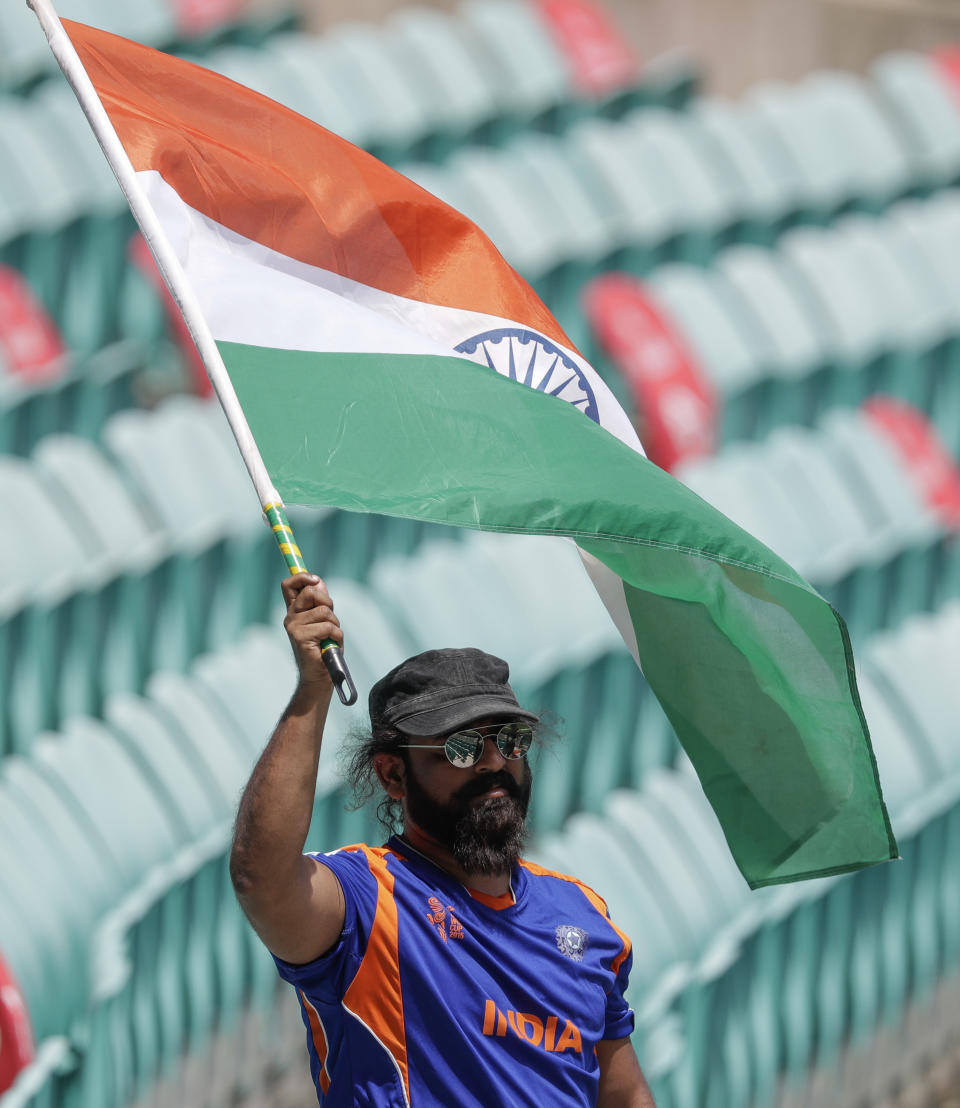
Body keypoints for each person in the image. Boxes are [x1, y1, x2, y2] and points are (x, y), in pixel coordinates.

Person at [230, 574, 658, 1107]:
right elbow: (261, 881)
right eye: (461, 748)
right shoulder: (368, 903)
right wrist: (311, 693)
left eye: (510, 739)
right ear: (393, 775)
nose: (495, 763)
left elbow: (625, 1097)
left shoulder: (584, 914)